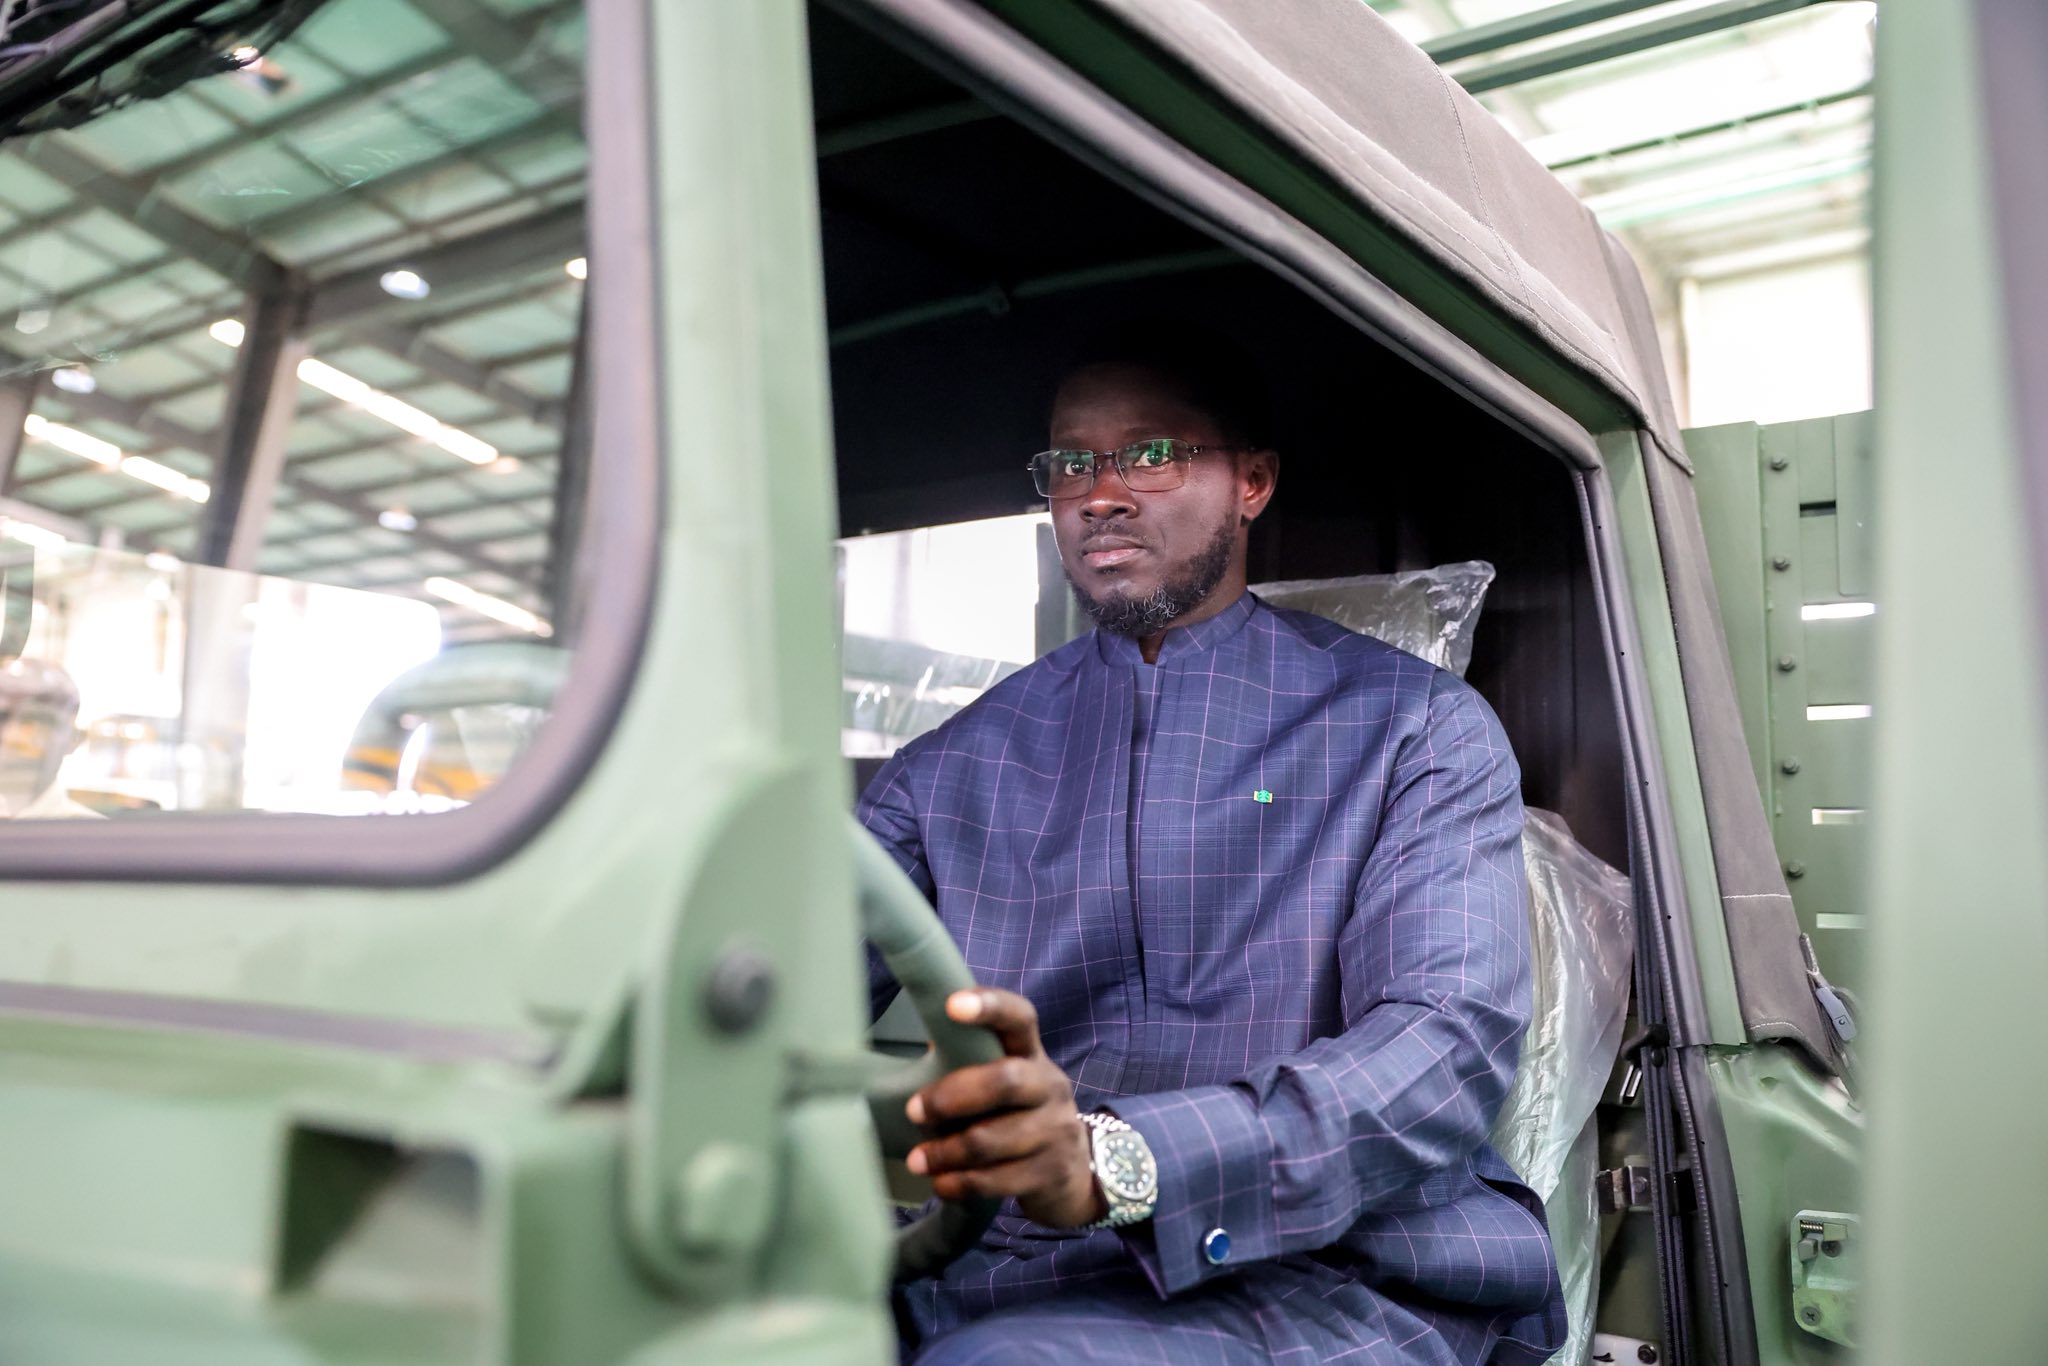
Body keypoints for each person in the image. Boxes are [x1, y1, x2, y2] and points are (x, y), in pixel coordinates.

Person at [858, 333, 1567, 1363]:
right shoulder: (953, 762)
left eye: (1150, 455)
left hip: (1333, 1270)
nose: (1098, 495)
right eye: (1070, 463)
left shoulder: (1414, 728)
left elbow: (1442, 1046)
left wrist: (1121, 1160)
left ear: (1252, 483)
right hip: (1006, 1261)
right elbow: (775, 983)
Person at [0, 657, 98, 819]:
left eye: (36, 720)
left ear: (74, 739)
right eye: (2, 717)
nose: (12, 736)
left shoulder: (94, 832)